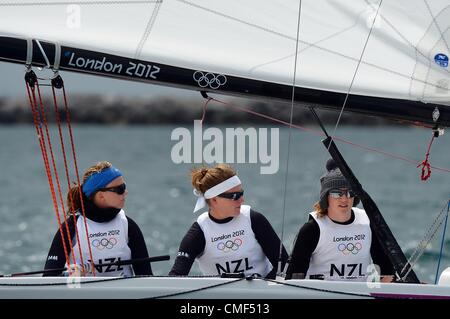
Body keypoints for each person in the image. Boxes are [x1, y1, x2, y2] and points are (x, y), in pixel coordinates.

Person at [169, 164, 288, 279]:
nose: (242, 200)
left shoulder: (253, 219)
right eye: (234, 196)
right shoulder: (199, 232)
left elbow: (284, 265)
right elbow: (176, 277)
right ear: (214, 199)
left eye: (241, 193)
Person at [285, 159, 393, 282]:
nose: (344, 199)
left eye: (349, 193)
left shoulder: (368, 222)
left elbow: (386, 270)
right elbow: (294, 278)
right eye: (337, 194)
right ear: (326, 197)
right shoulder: (312, 229)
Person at [43, 161, 152, 277]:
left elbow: (146, 276)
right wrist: (67, 276)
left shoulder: (128, 226)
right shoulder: (71, 228)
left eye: (124, 186)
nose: (125, 192)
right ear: (101, 196)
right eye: (120, 189)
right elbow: (48, 278)